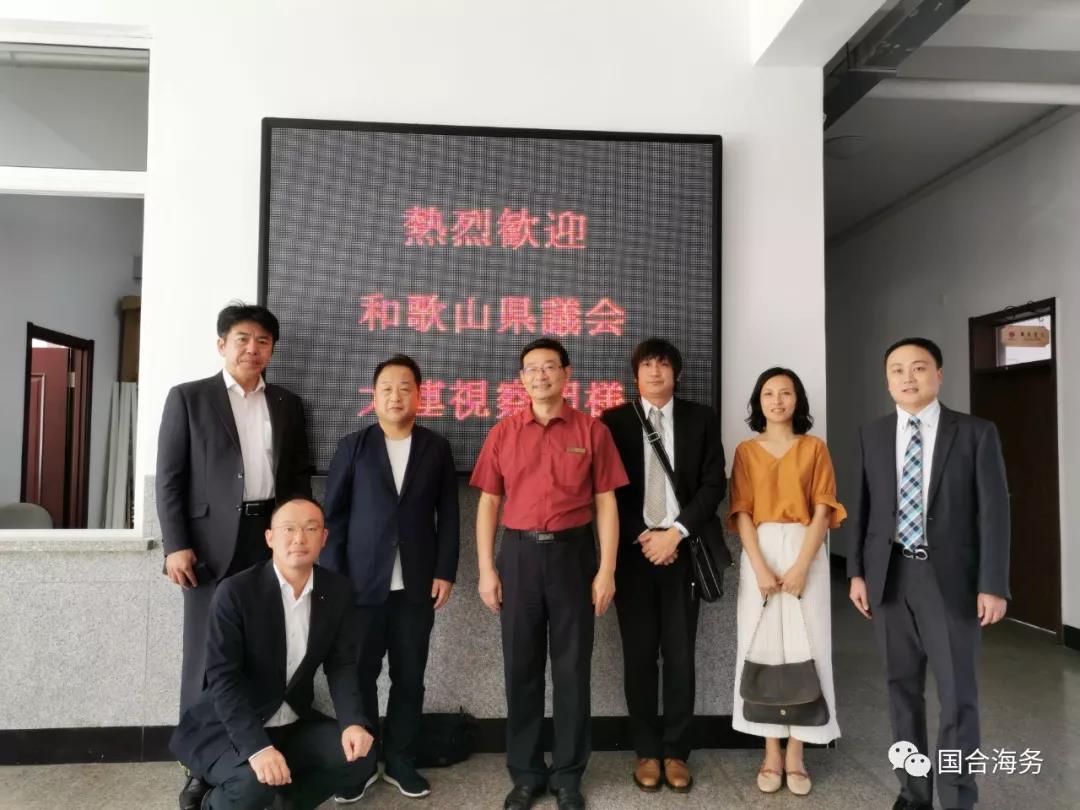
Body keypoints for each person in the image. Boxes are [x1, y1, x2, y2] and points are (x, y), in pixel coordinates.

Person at [157, 303, 312, 809]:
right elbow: (170, 478)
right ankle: (199, 767)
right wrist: (176, 544)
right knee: (205, 659)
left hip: (270, 538)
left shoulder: (287, 403)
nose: (253, 349)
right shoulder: (189, 398)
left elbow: (295, 479)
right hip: (209, 546)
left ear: (272, 350)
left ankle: (258, 752)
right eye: (243, 338)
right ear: (221, 344)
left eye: (263, 341)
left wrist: (296, 538)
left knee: (265, 650)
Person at [848, 337, 1010, 810]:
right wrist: (856, 572)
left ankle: (958, 796)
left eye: (919, 368)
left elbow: (994, 513)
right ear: (887, 381)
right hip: (890, 577)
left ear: (939, 374)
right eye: (897, 370)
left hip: (951, 581)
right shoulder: (873, 434)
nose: (908, 378)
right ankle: (913, 793)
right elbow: (862, 508)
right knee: (901, 691)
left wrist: (993, 583)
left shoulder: (976, 433)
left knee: (958, 695)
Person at [470, 338, 628, 810]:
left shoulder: (591, 430)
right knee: (521, 668)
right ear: (521, 378)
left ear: (566, 373)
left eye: (549, 367)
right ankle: (525, 774)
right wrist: (486, 569)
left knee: (572, 669)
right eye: (531, 368)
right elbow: (489, 503)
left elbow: (606, 503)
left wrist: (606, 569)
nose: (540, 375)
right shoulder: (503, 432)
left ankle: (568, 776)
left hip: (573, 556)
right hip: (518, 558)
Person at [169, 497, 377, 810]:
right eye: (288, 529)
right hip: (227, 727)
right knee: (254, 784)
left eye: (310, 529)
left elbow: (341, 664)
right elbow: (223, 678)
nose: (299, 538)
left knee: (360, 757)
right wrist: (256, 748)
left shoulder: (337, 591)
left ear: (324, 537)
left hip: (291, 722)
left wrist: (352, 723)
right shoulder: (236, 592)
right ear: (269, 538)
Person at [321, 354, 460, 802]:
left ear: (419, 395)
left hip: (416, 587)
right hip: (360, 589)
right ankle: (361, 765)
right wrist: (334, 582)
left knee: (409, 676)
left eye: (405, 388)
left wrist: (445, 571)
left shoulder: (436, 448)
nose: (396, 396)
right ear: (374, 396)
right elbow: (333, 519)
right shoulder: (353, 447)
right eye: (387, 388)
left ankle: (401, 760)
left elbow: (449, 517)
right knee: (361, 675)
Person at [600, 338, 726, 794]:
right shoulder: (613, 421)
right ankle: (646, 751)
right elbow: (608, 491)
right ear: (635, 375)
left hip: (683, 552)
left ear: (676, 372)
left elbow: (713, 485)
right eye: (647, 365)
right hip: (633, 556)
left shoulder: (700, 418)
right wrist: (645, 536)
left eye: (663, 364)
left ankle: (676, 751)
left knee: (680, 655)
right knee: (638, 657)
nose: (655, 372)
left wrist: (675, 533)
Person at [729, 367, 843, 797]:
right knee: (759, 646)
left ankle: (797, 752)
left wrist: (801, 565)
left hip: (805, 549)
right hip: (759, 550)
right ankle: (770, 751)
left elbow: (823, 509)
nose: (777, 401)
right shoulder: (746, 450)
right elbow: (741, 510)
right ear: (758, 402)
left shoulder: (814, 447)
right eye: (769, 393)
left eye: (785, 393)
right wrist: (759, 566)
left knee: (808, 646)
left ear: (798, 400)